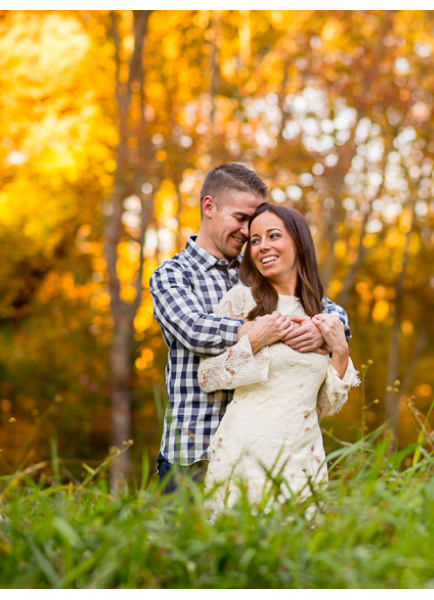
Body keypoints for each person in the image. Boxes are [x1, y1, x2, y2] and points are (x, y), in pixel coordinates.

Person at [150, 163, 350, 494]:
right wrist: (260, 331)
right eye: (241, 219)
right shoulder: (172, 274)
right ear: (209, 207)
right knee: (188, 546)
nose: (248, 232)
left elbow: (326, 309)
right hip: (194, 450)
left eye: (254, 223)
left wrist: (323, 330)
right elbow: (195, 330)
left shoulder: (257, 273)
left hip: (265, 452)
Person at [198, 203, 360, 517]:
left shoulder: (322, 315)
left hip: (303, 459)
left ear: (299, 243)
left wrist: (340, 351)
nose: (262, 247)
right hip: (243, 453)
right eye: (255, 240)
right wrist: (257, 339)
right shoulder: (242, 300)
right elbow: (209, 376)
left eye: (273, 236)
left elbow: (327, 405)